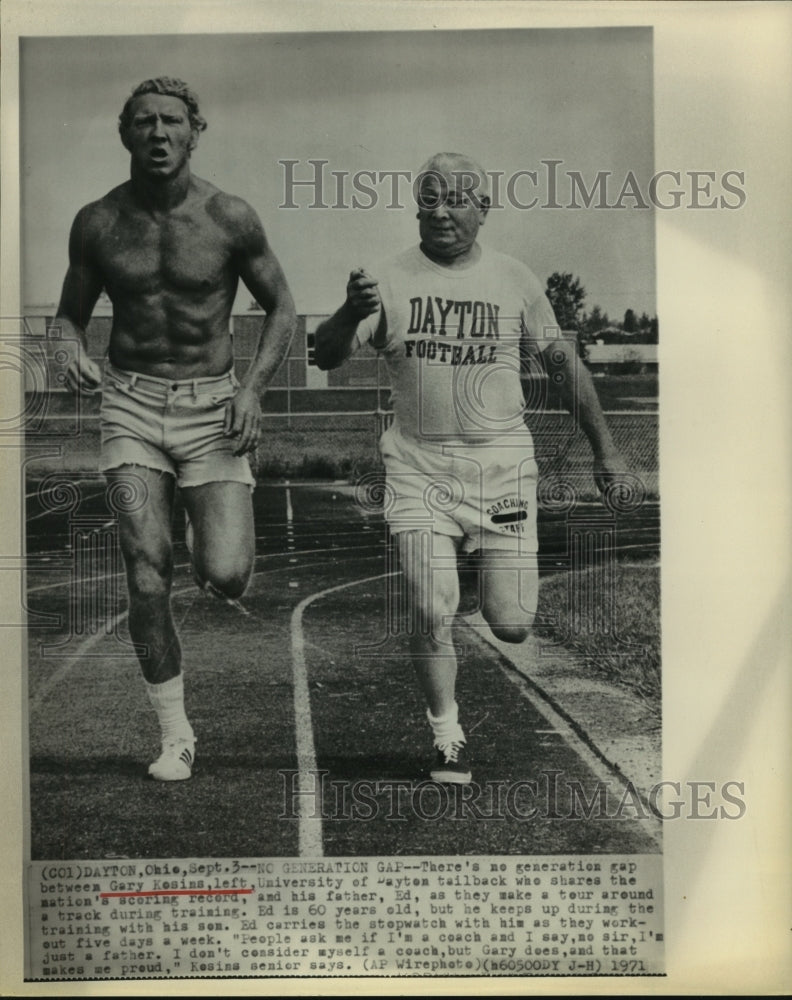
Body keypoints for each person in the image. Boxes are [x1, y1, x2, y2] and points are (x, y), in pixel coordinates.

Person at [315, 152, 626, 784]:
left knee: (511, 624)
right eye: (429, 197)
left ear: (484, 210)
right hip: (418, 470)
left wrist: (608, 450)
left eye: (457, 198)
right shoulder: (386, 279)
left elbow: (564, 368)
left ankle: (493, 580)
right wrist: (350, 312)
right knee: (431, 606)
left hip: (502, 473)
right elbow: (325, 355)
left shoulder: (514, 279)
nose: (441, 209)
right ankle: (446, 732)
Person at [54, 77, 296, 780]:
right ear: (125, 134)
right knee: (145, 572)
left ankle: (205, 523)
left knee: (226, 576)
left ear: (196, 131)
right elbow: (68, 315)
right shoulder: (97, 222)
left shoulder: (229, 217)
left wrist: (252, 389)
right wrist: (67, 348)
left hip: (213, 408)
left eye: (171, 122)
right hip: (130, 405)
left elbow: (282, 308)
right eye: (144, 123)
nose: (158, 134)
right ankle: (175, 733)